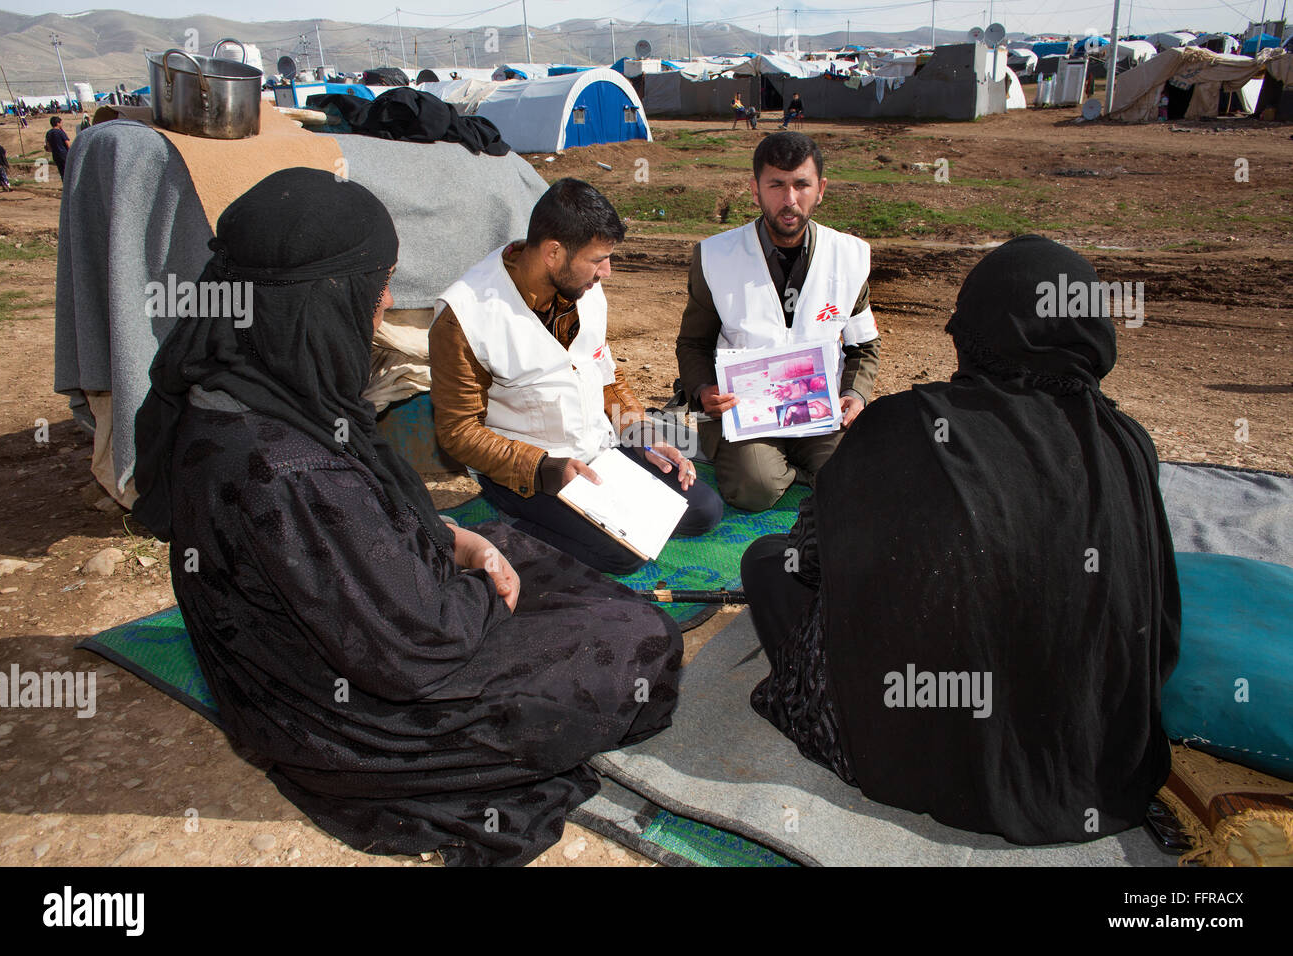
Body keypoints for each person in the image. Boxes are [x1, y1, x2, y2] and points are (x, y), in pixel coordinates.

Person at [131, 168, 684, 867]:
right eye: (376, 281)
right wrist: (473, 580)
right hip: (351, 717)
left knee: (536, 560)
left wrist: (454, 541)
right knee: (642, 638)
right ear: (315, 294)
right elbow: (413, 646)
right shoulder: (283, 470)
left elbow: (368, 543)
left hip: (348, 638)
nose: (386, 301)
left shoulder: (240, 387)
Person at [740, 235, 1181, 845]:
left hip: (921, 751)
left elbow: (814, 559)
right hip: (1096, 755)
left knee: (766, 561)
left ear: (974, 328)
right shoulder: (1128, 444)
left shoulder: (906, 427)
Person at [430, 177, 723, 575]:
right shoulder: (464, 315)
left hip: (600, 454)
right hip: (529, 472)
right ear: (553, 252)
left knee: (703, 510)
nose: (608, 271)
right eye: (598, 258)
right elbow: (458, 431)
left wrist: (645, 438)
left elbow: (608, 377)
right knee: (623, 554)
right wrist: (545, 468)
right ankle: (510, 524)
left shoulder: (584, 286)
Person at [675, 131, 880, 512]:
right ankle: (793, 470)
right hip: (746, 414)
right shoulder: (715, 257)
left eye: (801, 185)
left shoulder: (849, 257)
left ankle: (806, 466)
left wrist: (855, 394)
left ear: (821, 189)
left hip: (820, 411)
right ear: (755, 190)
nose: (789, 200)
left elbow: (863, 344)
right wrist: (703, 389)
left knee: (858, 478)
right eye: (776, 185)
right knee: (754, 489)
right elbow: (693, 343)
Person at [45, 115, 69, 179]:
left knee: (62, 173)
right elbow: (68, 144)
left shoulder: (48, 133)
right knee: (69, 171)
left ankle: (65, 186)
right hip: (64, 154)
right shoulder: (60, 132)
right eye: (61, 123)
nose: (62, 124)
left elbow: (48, 147)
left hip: (55, 155)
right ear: (58, 123)